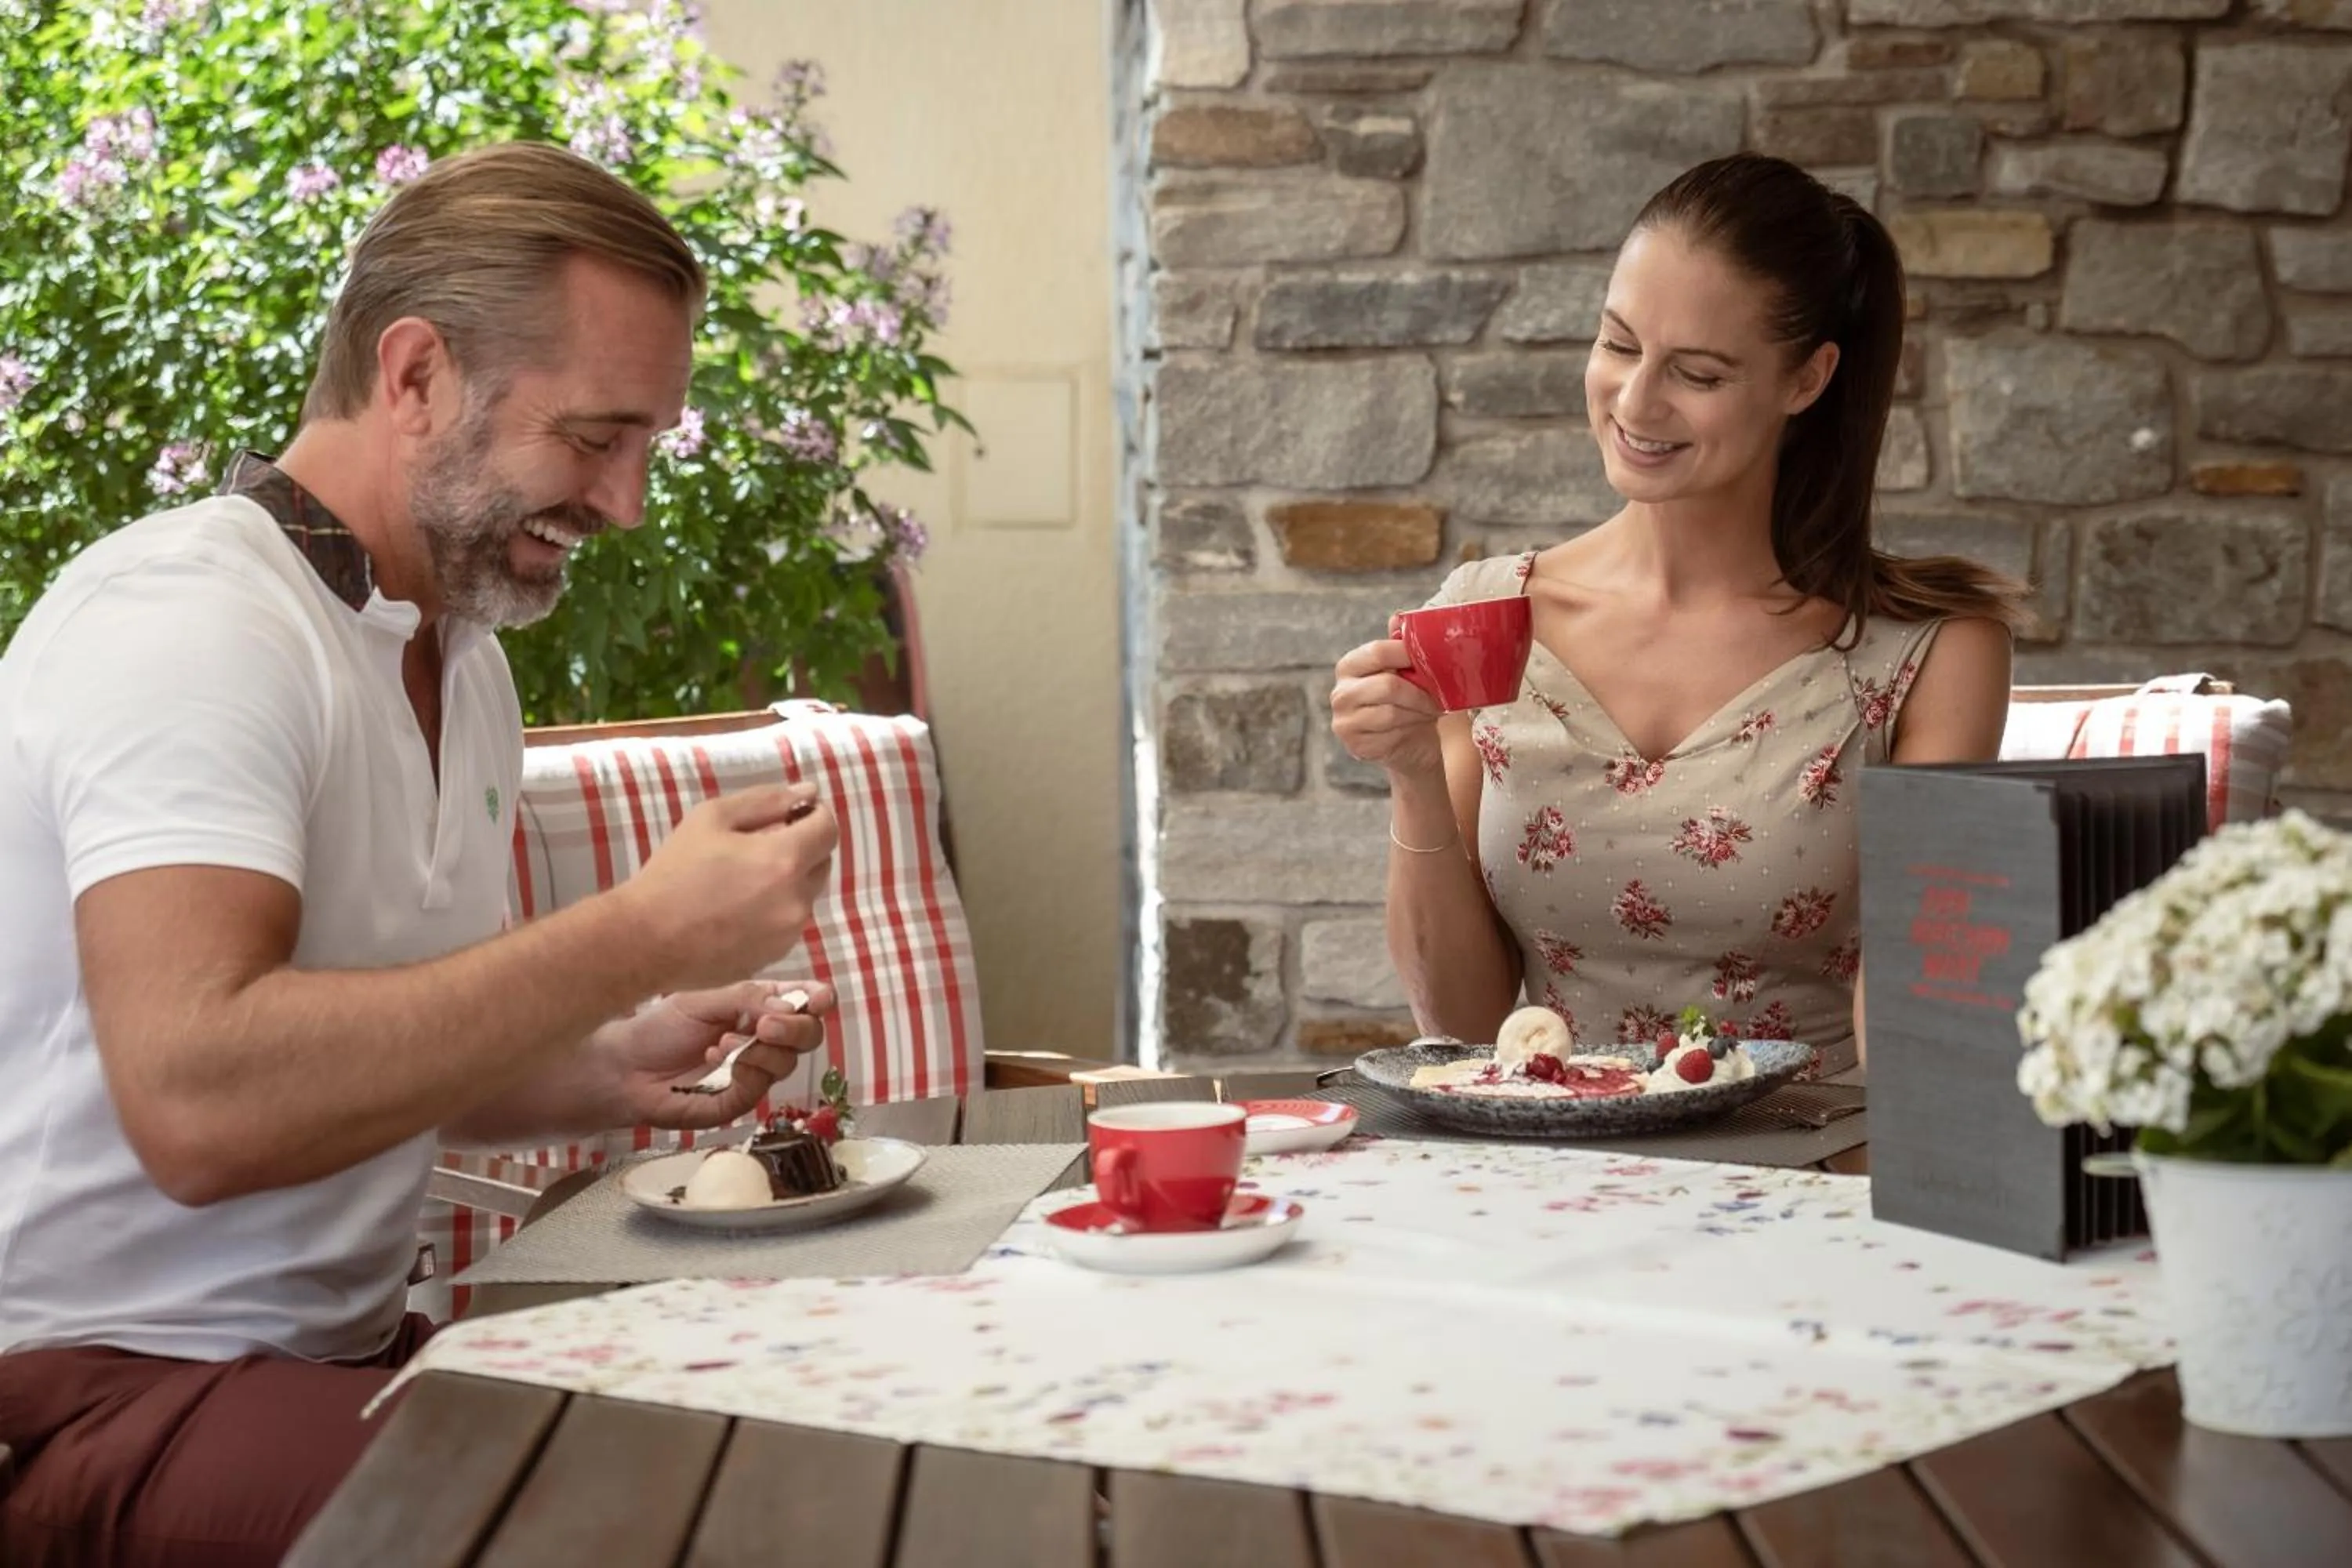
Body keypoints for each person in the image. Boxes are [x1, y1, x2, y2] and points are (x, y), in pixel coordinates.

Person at [0, 142, 844, 1566]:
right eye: (595, 438)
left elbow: (370, 1052)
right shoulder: (192, 625)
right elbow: (199, 1105)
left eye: (648, 445)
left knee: (785, 1413)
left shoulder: (460, 658)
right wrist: (637, 934)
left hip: (325, 1369)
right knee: (651, 1525)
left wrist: (607, 1061)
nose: (628, 503)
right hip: (91, 1395)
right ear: (415, 378)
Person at [1330, 153, 2024, 1073]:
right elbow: (1461, 1021)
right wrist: (1415, 773)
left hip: (1808, 1147)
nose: (1635, 400)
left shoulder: (1930, 652)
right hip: (1554, 1144)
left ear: (1807, 379)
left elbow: (1918, 1027)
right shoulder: (1486, 613)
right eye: (1619, 344)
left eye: (1696, 373)